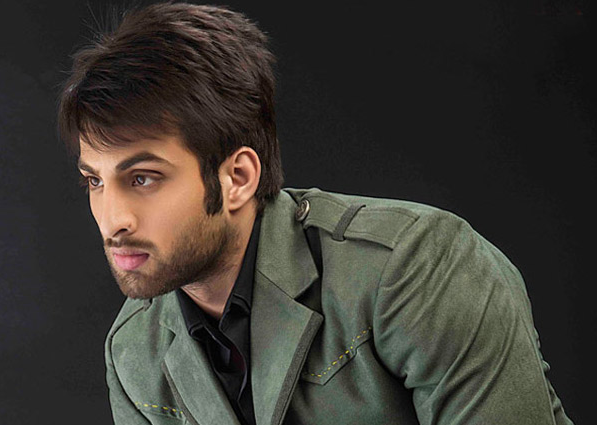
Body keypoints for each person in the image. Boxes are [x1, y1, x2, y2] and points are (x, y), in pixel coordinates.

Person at [57, 2, 574, 424]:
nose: (113, 220)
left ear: (238, 177)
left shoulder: (412, 269)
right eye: (94, 181)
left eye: (143, 178)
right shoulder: (134, 351)